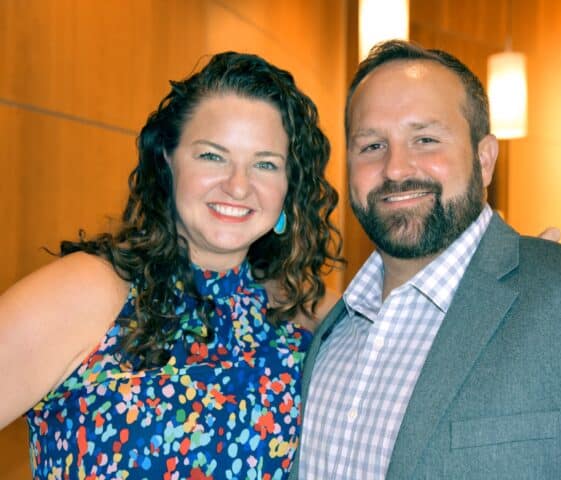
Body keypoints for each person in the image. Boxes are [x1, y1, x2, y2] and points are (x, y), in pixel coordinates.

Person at [0, 51, 342, 479]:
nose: (238, 185)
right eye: (212, 156)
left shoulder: (298, 315)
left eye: (265, 164)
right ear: (168, 160)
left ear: (288, 187)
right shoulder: (87, 292)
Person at [294, 40, 561, 479]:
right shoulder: (327, 339)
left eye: (426, 139)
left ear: (485, 158)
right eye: (372, 146)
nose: (397, 169)